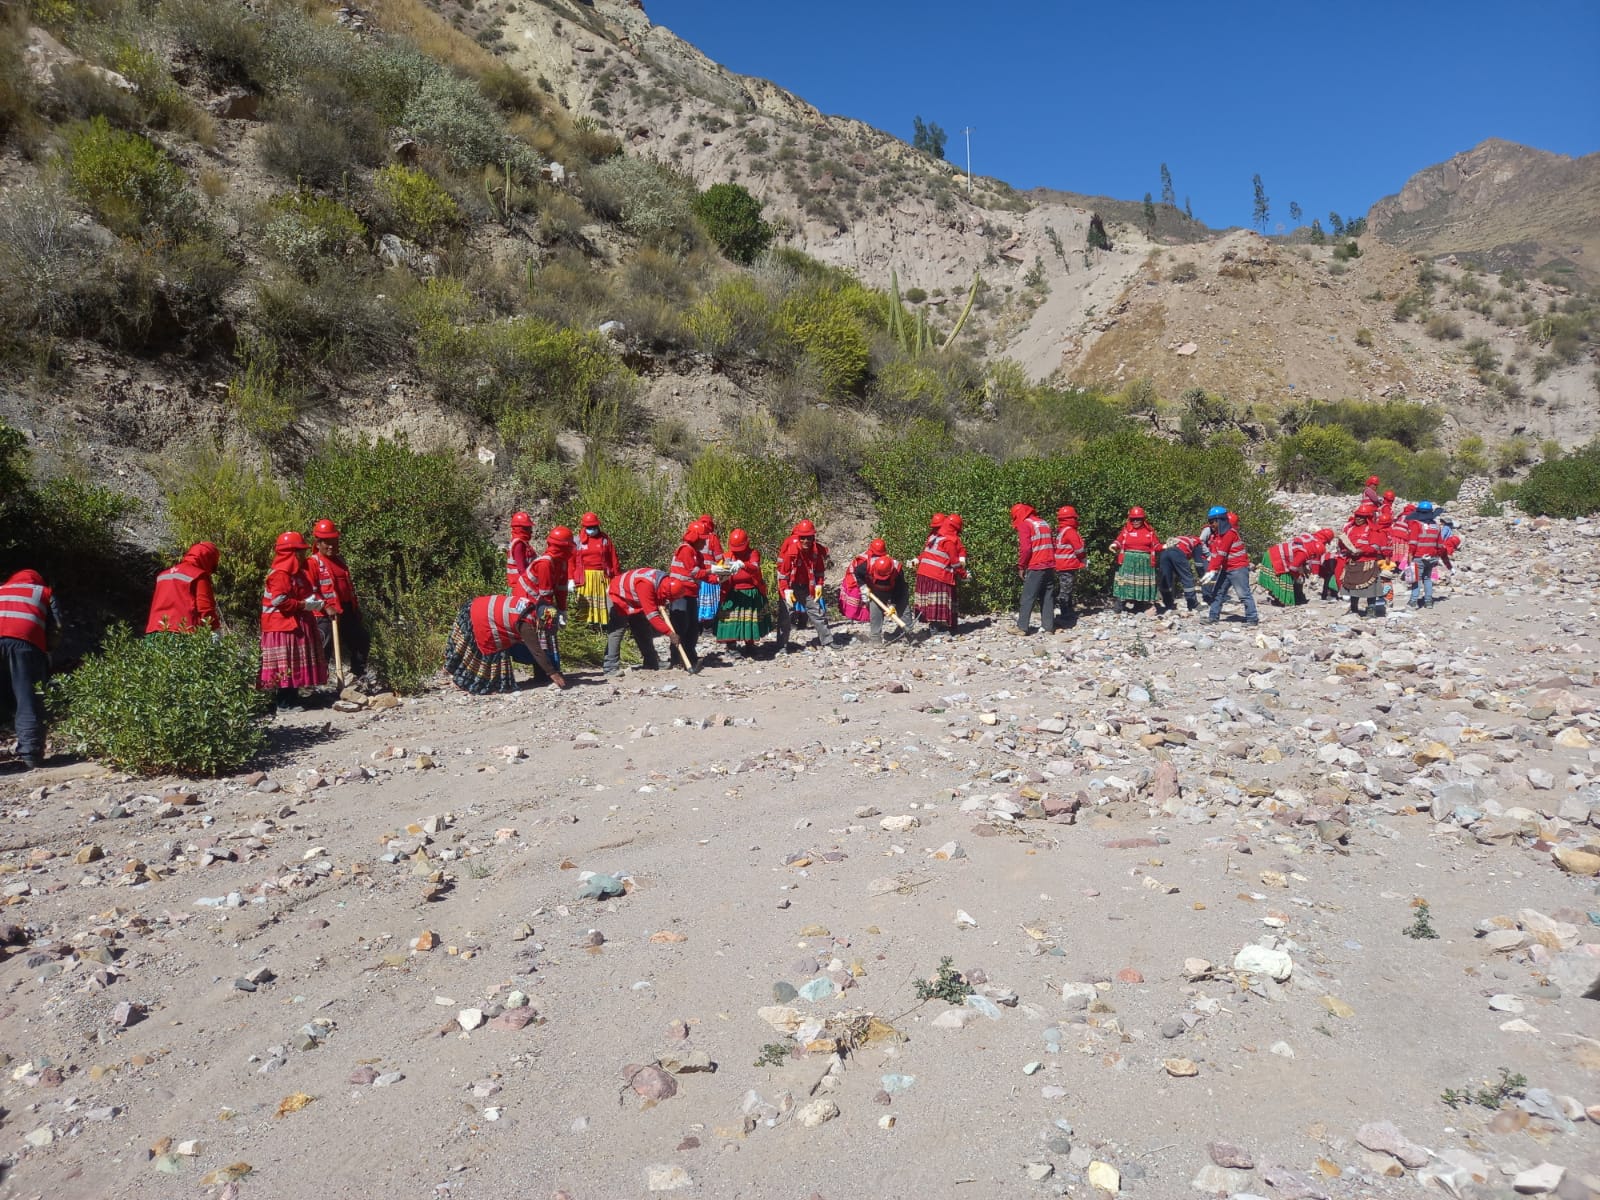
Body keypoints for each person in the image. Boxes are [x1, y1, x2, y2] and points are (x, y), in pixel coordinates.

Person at [444, 591, 565, 694]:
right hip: (481, 617)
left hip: (477, 606)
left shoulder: (529, 606)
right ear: (541, 621)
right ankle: (471, 681)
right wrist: (553, 673)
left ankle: (459, 677)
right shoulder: (526, 624)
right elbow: (536, 651)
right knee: (488, 651)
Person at [259, 531, 327, 711]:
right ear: (292, 553)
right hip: (280, 626)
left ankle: (293, 698)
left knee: (293, 663)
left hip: (292, 625)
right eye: (300, 551)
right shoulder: (280, 574)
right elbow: (279, 601)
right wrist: (304, 605)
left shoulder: (296, 573)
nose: (303, 555)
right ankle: (283, 703)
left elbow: (303, 593)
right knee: (285, 665)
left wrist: (314, 603)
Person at [1, 569, 61, 770]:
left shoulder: (1, 590)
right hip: (25, 645)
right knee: (28, 698)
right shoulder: (43, 592)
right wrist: (46, 652)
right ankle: (31, 754)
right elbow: (56, 627)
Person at [306, 520, 369, 681]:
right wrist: (326, 606)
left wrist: (356, 609)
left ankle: (358, 675)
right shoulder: (312, 563)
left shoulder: (340, 561)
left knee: (361, 638)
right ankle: (319, 682)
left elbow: (348, 588)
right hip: (323, 614)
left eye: (334, 541)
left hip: (345, 610)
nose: (331, 545)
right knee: (323, 646)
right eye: (327, 542)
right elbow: (309, 592)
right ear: (318, 543)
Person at [512, 526, 575, 678]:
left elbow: (561, 589)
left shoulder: (561, 562)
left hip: (539, 599)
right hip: (525, 599)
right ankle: (545, 671)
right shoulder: (545, 563)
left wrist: (562, 609)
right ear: (563, 547)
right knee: (540, 632)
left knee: (548, 630)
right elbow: (546, 594)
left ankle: (550, 668)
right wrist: (551, 615)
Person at [604, 566, 681, 674]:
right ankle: (610, 667)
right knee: (618, 630)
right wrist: (670, 633)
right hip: (617, 595)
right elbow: (652, 616)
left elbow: (658, 597)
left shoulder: (663, 580)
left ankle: (651, 663)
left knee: (642, 630)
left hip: (634, 598)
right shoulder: (645, 584)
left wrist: (661, 601)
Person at [666, 521, 721, 669]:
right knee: (681, 626)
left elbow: (703, 575)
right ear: (695, 538)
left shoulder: (697, 554)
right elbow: (695, 572)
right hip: (679, 594)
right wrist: (713, 570)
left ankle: (690, 657)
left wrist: (720, 577)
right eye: (702, 539)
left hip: (691, 593)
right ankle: (677, 659)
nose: (705, 542)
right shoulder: (685, 550)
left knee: (692, 628)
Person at [777, 519, 833, 652]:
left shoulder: (816, 551)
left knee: (817, 612)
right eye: (803, 538)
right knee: (785, 615)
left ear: (813, 537)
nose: (805, 541)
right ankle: (782, 646)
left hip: (808, 585)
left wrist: (819, 585)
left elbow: (819, 570)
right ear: (798, 537)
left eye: (809, 538)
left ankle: (827, 641)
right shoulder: (791, 550)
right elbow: (782, 574)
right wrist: (786, 591)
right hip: (790, 584)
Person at [145, 542, 222, 634]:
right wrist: (215, 630)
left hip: (155, 630)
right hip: (183, 631)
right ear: (209, 560)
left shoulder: (163, 575)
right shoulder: (199, 575)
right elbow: (205, 608)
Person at [715, 528, 770, 653]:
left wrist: (743, 564)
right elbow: (721, 574)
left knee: (749, 619)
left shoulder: (753, 553)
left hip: (751, 592)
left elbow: (755, 568)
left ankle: (749, 645)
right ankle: (731, 646)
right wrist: (720, 574)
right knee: (730, 619)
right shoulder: (727, 556)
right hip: (733, 592)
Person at [1202, 505, 1259, 625]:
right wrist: (1210, 570)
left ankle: (1252, 618)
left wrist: (1212, 570)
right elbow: (1215, 555)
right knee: (1218, 592)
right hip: (1227, 568)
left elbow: (1221, 554)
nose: (1211, 524)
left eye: (1212, 522)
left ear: (1220, 520)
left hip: (1238, 568)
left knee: (1243, 594)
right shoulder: (1217, 536)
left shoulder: (1229, 534)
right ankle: (1213, 617)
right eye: (1209, 522)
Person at [1009, 503, 1056, 635]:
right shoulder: (1043, 523)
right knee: (1047, 596)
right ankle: (1048, 627)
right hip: (1050, 564)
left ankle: (1022, 627)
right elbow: (1053, 543)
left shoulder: (1025, 524)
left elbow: (1026, 548)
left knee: (1028, 596)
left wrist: (1021, 566)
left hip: (1036, 564)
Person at [851, 539, 909, 644]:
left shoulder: (897, 569)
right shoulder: (866, 565)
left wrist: (893, 604)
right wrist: (863, 587)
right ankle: (875, 639)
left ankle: (907, 635)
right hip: (877, 591)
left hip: (896, 590)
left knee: (904, 611)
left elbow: (900, 589)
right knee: (875, 611)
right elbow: (857, 573)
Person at [914, 517, 964, 634]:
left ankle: (935, 626)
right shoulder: (948, 542)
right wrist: (964, 574)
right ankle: (936, 628)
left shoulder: (933, 537)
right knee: (939, 600)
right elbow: (955, 563)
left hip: (923, 573)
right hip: (938, 575)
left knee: (930, 601)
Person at [571, 511, 620, 627]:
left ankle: (601, 626)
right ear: (584, 527)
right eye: (589, 527)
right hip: (584, 577)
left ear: (598, 525)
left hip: (602, 577)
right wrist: (570, 578)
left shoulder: (605, 539)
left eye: (593, 526)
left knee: (603, 602)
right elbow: (571, 560)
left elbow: (613, 558)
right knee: (585, 603)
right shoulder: (577, 541)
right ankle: (584, 628)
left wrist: (617, 577)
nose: (591, 529)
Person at [1337, 503, 1387, 618]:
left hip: (1367, 562)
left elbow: (1376, 547)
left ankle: (1371, 610)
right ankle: (1354, 609)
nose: (1358, 519)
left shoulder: (1372, 530)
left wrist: (1362, 550)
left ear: (1367, 518)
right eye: (1357, 516)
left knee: (1371, 589)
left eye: (1361, 517)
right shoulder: (1350, 529)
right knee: (1352, 587)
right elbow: (1342, 545)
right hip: (1353, 562)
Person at [1110, 507, 1162, 615]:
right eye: (1133, 519)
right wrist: (1114, 545)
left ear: (1143, 519)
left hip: (1144, 562)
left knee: (1140, 584)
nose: (1135, 521)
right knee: (1123, 583)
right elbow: (1119, 541)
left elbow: (1156, 546)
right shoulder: (1126, 531)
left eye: (1138, 519)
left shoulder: (1150, 532)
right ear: (1130, 519)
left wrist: (1165, 546)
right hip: (1128, 560)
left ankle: (1138, 606)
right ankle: (1119, 606)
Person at [1258, 530, 1327, 607]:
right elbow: (1293, 568)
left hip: (1276, 554)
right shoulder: (1304, 553)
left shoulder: (1307, 547)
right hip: (1275, 557)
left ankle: (1280, 597)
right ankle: (1282, 601)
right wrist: (1298, 576)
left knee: (1289, 578)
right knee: (1284, 579)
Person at [1156, 532, 1207, 613]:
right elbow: (1199, 564)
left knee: (1166, 578)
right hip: (1177, 553)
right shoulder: (1198, 542)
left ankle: (1168, 604)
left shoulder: (1180, 538)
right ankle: (1192, 604)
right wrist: (1202, 576)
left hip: (1165, 552)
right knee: (1187, 578)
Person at [1405, 500, 1444, 608]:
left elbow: (1413, 543)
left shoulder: (1416, 524)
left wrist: (1410, 556)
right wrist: (1437, 556)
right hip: (1432, 557)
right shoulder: (1436, 526)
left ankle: (1413, 601)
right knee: (1427, 579)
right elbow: (1440, 544)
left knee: (1416, 579)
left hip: (1418, 556)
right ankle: (1428, 601)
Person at [1053, 506, 1086, 629]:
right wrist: (1083, 559)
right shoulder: (1070, 531)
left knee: (1066, 590)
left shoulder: (1061, 530)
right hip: (1067, 565)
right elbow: (1079, 549)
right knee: (1065, 591)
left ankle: (1068, 612)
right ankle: (1065, 615)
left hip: (1061, 565)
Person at [506, 512, 535, 593]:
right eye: (529, 528)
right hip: (520, 587)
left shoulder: (520, 542)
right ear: (522, 529)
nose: (531, 531)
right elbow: (521, 569)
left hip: (518, 585)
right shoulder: (519, 544)